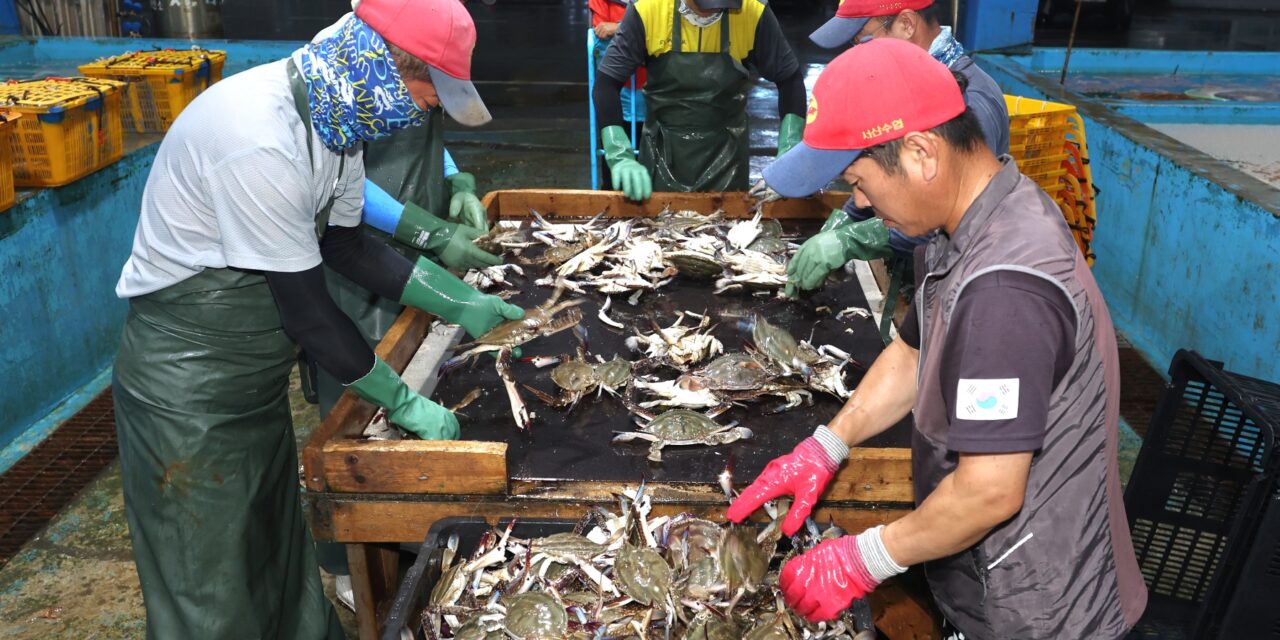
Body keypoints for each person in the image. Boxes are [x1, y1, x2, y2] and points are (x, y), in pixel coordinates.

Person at [110, 0, 522, 637]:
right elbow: (308, 313)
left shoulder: (336, 128)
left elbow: (348, 245)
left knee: (275, 561)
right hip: (186, 395)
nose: (431, 107)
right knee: (212, 589)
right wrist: (403, 403)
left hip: (250, 381)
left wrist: (456, 299)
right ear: (386, 66)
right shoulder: (260, 137)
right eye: (429, 90)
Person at [727, 39, 1147, 638]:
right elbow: (913, 352)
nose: (860, 203)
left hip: (1037, 613)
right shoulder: (961, 225)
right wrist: (827, 444)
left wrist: (862, 557)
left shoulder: (1006, 290)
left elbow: (988, 494)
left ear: (922, 152)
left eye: (860, 181)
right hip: (981, 582)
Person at [763, 0, 1011, 297]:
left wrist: (849, 241)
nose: (858, 54)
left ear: (906, 24)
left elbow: (949, 214)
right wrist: (847, 218)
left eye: (863, 40)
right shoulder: (904, 87)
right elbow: (883, 167)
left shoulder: (971, 103)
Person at [592, 0, 807, 200]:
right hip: (662, 153)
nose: (713, 9)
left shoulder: (753, 12)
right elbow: (606, 84)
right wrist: (619, 154)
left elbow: (790, 79)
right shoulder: (648, 10)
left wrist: (789, 150)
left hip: (728, 158)